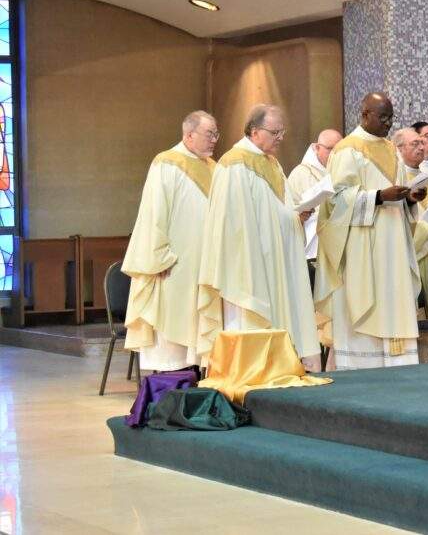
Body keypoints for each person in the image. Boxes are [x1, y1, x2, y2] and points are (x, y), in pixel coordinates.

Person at [196, 104, 320, 366]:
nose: (280, 138)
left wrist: (296, 217)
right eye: (275, 132)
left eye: (282, 132)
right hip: (247, 267)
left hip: (275, 262)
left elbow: (278, 210)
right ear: (254, 131)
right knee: (248, 327)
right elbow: (233, 225)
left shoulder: (271, 163)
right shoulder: (234, 164)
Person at [314, 94, 426, 369]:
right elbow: (336, 200)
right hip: (363, 247)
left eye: (390, 117)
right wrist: (377, 196)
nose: (388, 123)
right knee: (366, 301)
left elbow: (397, 187)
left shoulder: (390, 149)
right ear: (365, 114)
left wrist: (409, 197)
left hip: (394, 243)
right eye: (383, 117)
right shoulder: (347, 149)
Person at [122, 111, 218, 372]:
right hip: (174, 265)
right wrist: (158, 256)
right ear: (189, 135)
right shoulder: (167, 163)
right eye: (209, 134)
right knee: (172, 336)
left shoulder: (213, 168)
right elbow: (154, 213)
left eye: (216, 135)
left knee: (197, 333)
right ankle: (169, 390)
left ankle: (196, 386)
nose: (214, 141)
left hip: (204, 265)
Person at [393, 127, 428, 321]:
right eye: (416, 143)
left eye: (422, 143)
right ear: (399, 148)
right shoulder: (395, 179)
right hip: (408, 256)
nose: (422, 147)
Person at [286, 128, 343, 260]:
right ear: (317, 148)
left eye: (339, 150)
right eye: (331, 149)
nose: (336, 154)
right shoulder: (300, 174)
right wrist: (300, 216)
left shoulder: (342, 170)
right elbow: (288, 213)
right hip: (312, 247)